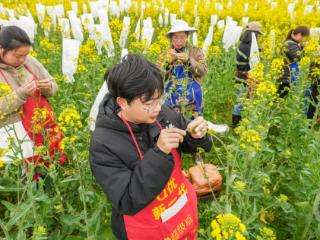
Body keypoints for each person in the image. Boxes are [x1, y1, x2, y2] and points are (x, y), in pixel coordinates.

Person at [89, 54, 212, 240]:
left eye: (159, 99)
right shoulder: (103, 144)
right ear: (122, 102)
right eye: (148, 104)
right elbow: (127, 201)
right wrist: (159, 153)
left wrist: (197, 136)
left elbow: (193, 144)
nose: (157, 108)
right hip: (144, 229)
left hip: (181, 213)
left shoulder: (162, 112)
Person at [0, 25, 65, 173]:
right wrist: (20, 95)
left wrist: (48, 88)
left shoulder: (30, 62)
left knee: (53, 163)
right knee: (26, 172)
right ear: (1, 49)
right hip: (16, 134)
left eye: (25, 54)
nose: (22, 59)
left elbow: (53, 85)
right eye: (17, 56)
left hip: (44, 125)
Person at [157, 20, 207, 119]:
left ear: (187, 37)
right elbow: (157, 76)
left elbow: (203, 71)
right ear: (171, 38)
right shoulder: (165, 54)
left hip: (193, 94)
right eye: (175, 37)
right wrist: (168, 62)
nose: (178, 41)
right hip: (172, 94)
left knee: (193, 124)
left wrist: (189, 60)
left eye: (182, 37)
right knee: (171, 120)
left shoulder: (195, 52)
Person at [232, 21, 263, 127]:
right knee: (241, 100)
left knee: (240, 99)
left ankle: (238, 123)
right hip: (245, 77)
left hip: (240, 76)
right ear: (254, 34)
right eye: (258, 34)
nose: (259, 37)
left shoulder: (243, 44)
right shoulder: (249, 48)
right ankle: (236, 124)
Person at [277, 26, 310, 97]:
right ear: (298, 33)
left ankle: (276, 107)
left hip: (290, 74)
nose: (303, 38)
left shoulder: (294, 43)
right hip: (287, 74)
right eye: (302, 36)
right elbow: (298, 57)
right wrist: (308, 50)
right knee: (281, 95)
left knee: (283, 95)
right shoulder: (289, 44)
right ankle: (274, 107)